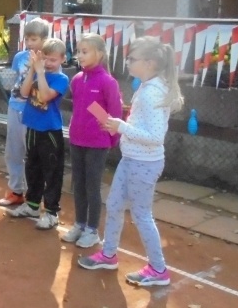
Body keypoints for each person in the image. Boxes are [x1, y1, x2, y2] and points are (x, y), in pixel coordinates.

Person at [78, 36, 184, 287]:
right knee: (114, 205)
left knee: (142, 215)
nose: (127, 62)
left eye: (132, 59)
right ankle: (108, 255)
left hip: (144, 163)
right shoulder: (147, 87)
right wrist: (121, 123)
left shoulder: (152, 93)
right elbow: (143, 124)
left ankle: (158, 269)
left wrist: (121, 126)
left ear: (149, 63)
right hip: (131, 159)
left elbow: (155, 137)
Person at [62, 33, 123, 248]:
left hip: (97, 144)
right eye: (78, 51)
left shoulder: (108, 82)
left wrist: (111, 140)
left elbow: (115, 114)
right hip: (77, 140)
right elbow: (80, 107)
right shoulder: (77, 80)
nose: (79, 55)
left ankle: (92, 230)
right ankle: (79, 224)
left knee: (92, 186)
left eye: (85, 51)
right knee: (78, 185)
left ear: (100, 53)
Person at [9, 38, 70, 229]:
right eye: (45, 59)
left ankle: (51, 212)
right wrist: (32, 71)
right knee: (32, 168)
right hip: (32, 127)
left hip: (49, 131)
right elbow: (24, 92)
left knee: (51, 172)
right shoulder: (37, 73)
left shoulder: (61, 79)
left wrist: (41, 72)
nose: (49, 63)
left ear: (62, 59)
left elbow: (44, 96)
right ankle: (32, 204)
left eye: (53, 59)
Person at [0, 17, 52, 207]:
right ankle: (16, 191)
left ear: (44, 39)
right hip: (15, 107)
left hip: (34, 111)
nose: (29, 43)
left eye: (34, 39)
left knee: (32, 155)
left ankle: (34, 194)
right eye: (27, 39)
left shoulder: (49, 60)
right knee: (13, 151)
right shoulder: (20, 57)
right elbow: (14, 79)